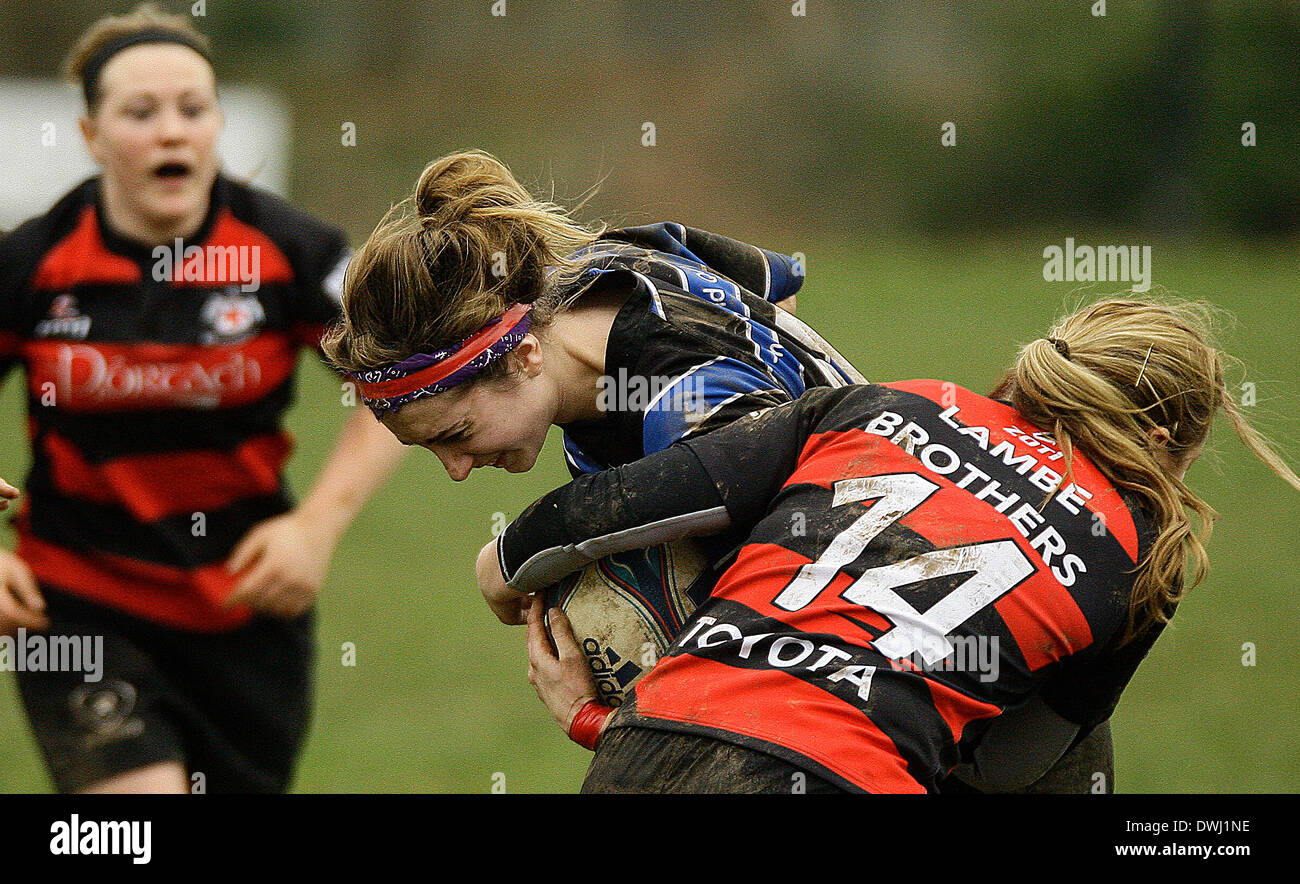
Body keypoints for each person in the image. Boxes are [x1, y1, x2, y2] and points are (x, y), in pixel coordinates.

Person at [323, 149, 1117, 793]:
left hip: (970, 696)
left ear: (526, 354)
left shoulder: (686, 397)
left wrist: (513, 560)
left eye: (457, 434)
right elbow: (777, 285)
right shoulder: (621, 262)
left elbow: (737, 502)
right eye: (429, 450)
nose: (457, 470)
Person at [480, 297, 1300, 793]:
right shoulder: (1142, 556)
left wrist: (503, 566)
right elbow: (1011, 770)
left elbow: (623, 506)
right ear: (1165, 441)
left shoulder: (888, 404)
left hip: (642, 757)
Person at [0, 4, 405, 793]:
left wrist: (316, 529)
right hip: (77, 607)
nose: (172, 132)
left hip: (248, 612)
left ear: (218, 121)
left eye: (194, 108)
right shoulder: (34, 261)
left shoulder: (289, 250)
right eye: (140, 112)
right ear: (91, 136)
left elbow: (402, 384)